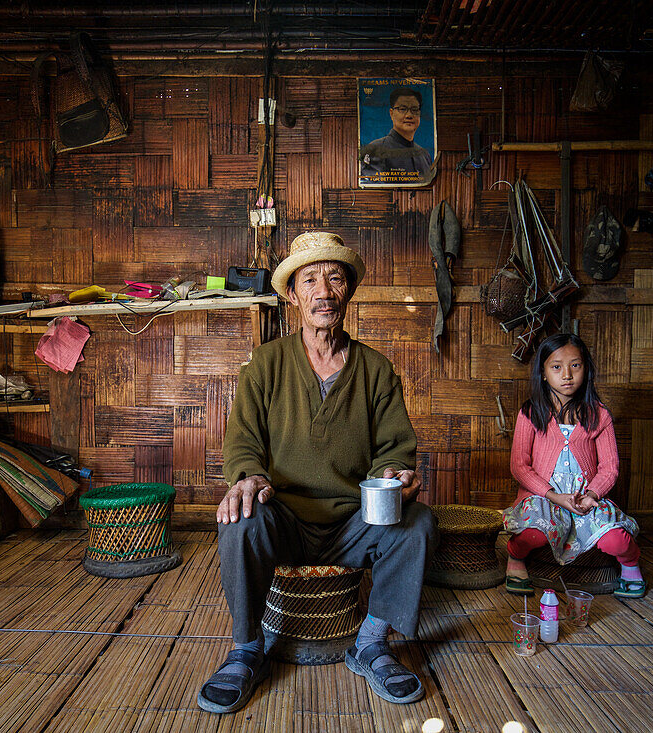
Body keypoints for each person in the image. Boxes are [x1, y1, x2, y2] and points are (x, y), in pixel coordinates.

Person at [197, 231, 437, 714]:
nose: (323, 291)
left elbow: (394, 449)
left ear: (348, 291)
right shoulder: (266, 364)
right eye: (311, 280)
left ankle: (370, 643)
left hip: (354, 520)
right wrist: (248, 477)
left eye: (334, 278)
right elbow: (243, 442)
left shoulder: (375, 369)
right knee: (238, 522)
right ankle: (246, 650)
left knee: (418, 524)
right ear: (293, 295)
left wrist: (395, 473)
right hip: (282, 515)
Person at [502, 333, 646, 600]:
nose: (566, 374)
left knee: (617, 540)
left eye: (575, 365)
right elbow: (520, 466)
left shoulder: (599, 414)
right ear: (543, 373)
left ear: (586, 369)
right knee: (530, 537)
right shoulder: (531, 413)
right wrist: (555, 496)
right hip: (544, 498)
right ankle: (515, 560)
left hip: (585, 500)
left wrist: (591, 496)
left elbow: (610, 467)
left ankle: (630, 565)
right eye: (556, 367)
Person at [359, 87, 433, 179]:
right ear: (391, 113)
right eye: (402, 109)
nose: (409, 115)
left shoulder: (424, 155)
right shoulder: (375, 150)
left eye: (414, 109)